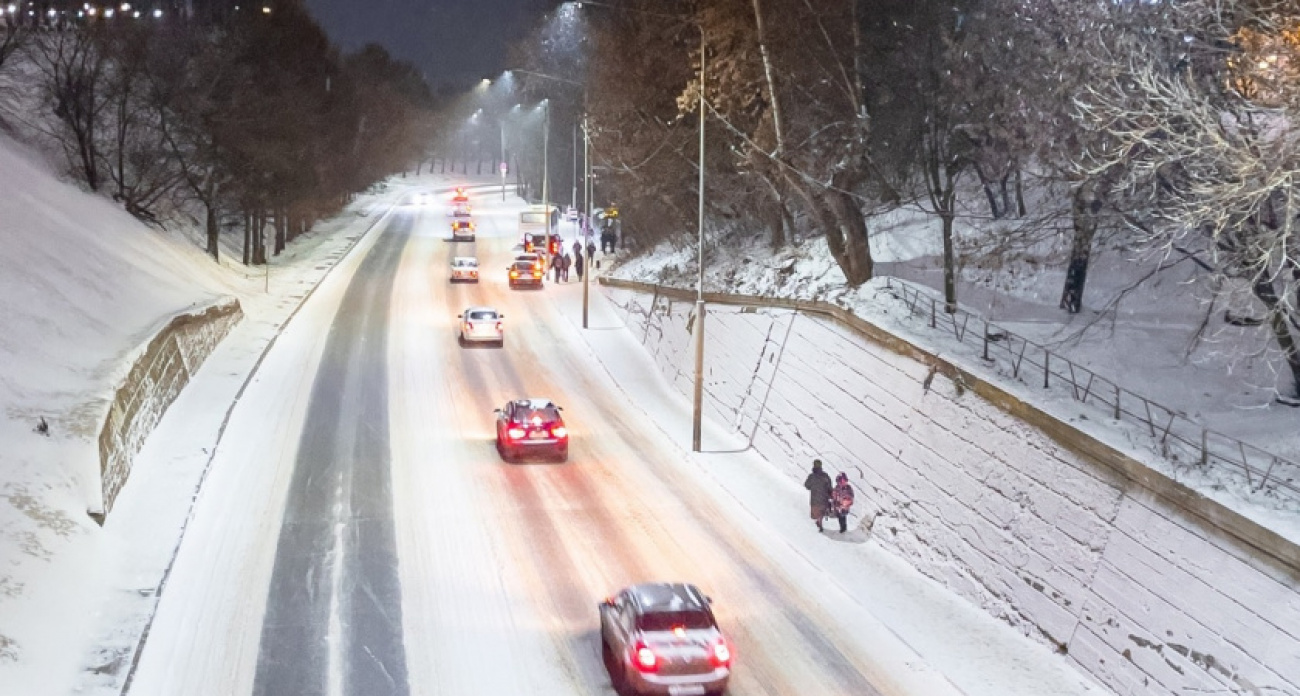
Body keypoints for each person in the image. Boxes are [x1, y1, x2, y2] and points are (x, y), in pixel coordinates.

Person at [803, 459, 833, 532]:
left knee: (814, 517)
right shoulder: (826, 476)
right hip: (824, 500)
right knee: (821, 514)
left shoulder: (811, 477)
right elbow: (830, 488)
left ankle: (816, 531)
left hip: (814, 501)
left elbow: (807, 486)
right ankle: (819, 524)